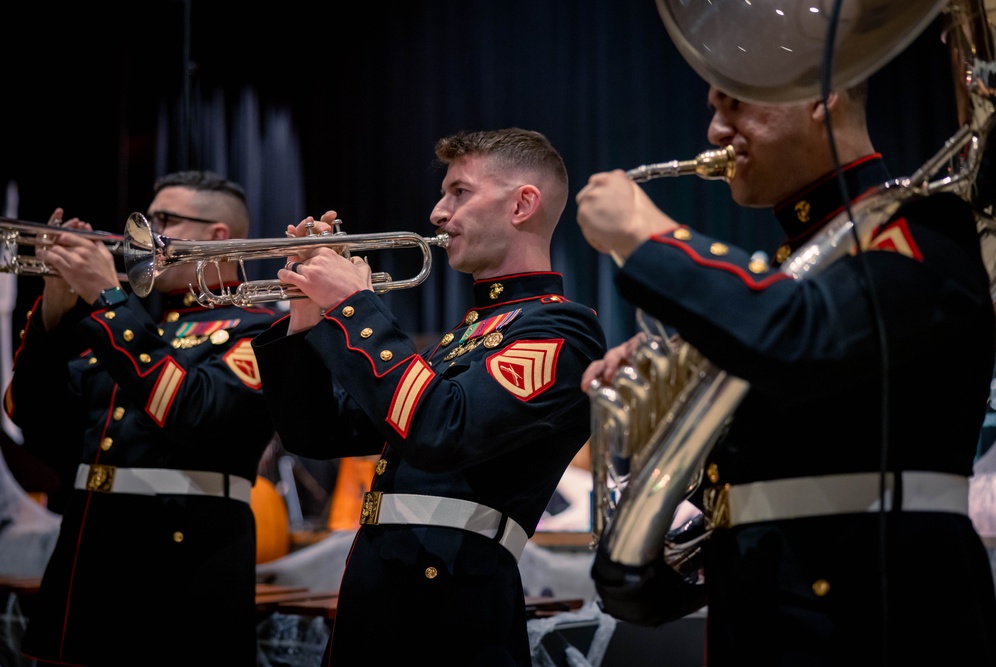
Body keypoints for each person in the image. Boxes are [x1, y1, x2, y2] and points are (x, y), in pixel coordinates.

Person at [576, 83, 996, 665]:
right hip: (767, 612)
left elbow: (804, 340)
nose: (715, 132)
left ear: (822, 96)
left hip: (876, 620)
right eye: (713, 110)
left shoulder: (924, 227)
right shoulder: (795, 274)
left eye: (736, 104)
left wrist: (652, 238)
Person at [251, 127, 607, 665]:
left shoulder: (561, 331)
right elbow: (316, 434)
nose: (438, 213)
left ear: (522, 205)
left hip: (453, 605)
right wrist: (306, 320)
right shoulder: (460, 337)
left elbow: (442, 429)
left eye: (459, 192)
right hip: (381, 588)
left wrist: (354, 307)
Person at [4, 171, 279, 666]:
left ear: (218, 236)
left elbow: (192, 414)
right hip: (88, 557)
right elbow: (33, 419)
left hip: (185, 564)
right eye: (145, 219)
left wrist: (109, 299)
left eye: (164, 220)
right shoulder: (134, 328)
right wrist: (54, 307)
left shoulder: (261, 329)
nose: (142, 235)